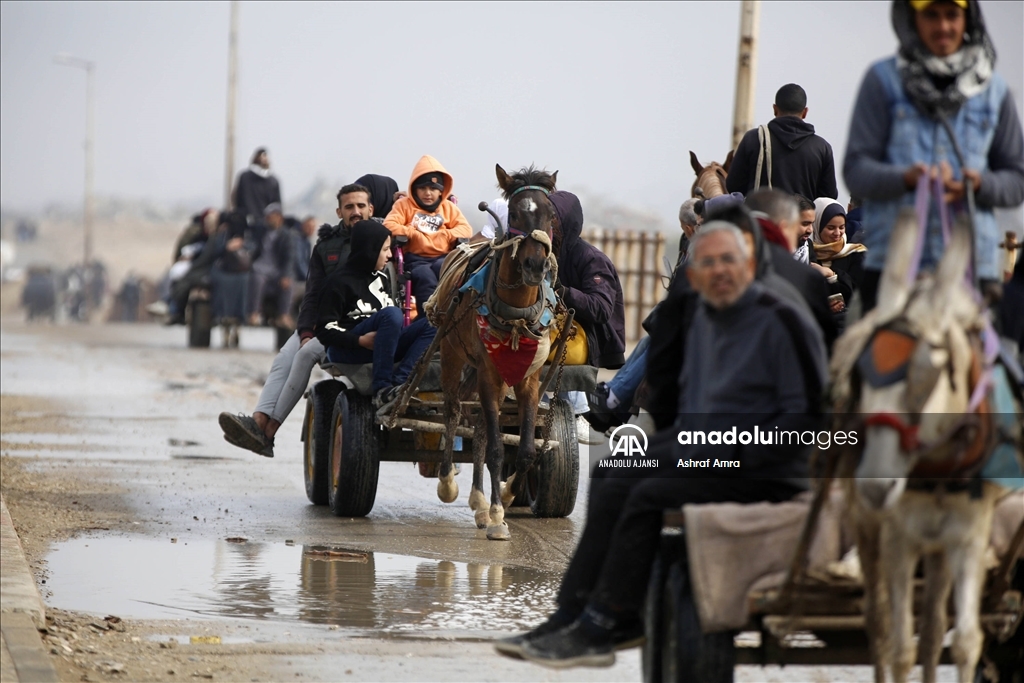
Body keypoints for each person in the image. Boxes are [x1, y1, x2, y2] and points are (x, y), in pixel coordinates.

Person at [499, 222, 826, 669]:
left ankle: (609, 618)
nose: (718, 271)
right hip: (714, 448)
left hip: (767, 465)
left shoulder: (780, 321)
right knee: (612, 472)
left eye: (728, 261)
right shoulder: (710, 319)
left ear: (749, 264)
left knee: (646, 494)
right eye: (707, 263)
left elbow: (803, 421)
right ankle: (572, 615)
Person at [844, 0, 1024, 311]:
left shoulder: (993, 92)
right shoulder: (882, 81)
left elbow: (1016, 181)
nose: (943, 27)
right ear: (912, 18)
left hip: (969, 267)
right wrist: (905, 179)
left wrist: (978, 184)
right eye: (931, 15)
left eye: (952, 15)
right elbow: (855, 170)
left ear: (967, 19)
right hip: (893, 268)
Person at [218, 179, 389, 457]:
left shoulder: (383, 241)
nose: (355, 212)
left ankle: (268, 431)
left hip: (353, 323)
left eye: (361, 206)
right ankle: (258, 421)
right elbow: (312, 295)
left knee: (304, 355)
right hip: (323, 322)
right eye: (349, 207)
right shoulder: (326, 246)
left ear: (371, 208)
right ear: (339, 212)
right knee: (285, 356)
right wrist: (306, 331)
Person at [315, 220, 436, 408]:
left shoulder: (382, 277)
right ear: (369, 250)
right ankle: (382, 389)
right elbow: (324, 330)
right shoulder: (337, 282)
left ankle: (400, 383)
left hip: (384, 345)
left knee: (434, 322)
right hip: (349, 348)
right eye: (385, 249)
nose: (390, 255)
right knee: (392, 314)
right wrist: (360, 341)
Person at [547, 191, 627, 441]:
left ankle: (577, 413)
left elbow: (601, 308)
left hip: (591, 334)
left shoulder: (591, 259)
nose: (546, 225)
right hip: (553, 325)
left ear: (566, 222)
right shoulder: (542, 252)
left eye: (551, 219)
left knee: (561, 345)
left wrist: (563, 292)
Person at [384, 155, 472, 314]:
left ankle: (448, 313)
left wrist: (445, 234)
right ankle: (428, 317)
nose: (428, 193)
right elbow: (389, 225)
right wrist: (412, 233)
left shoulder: (448, 207)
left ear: (441, 191)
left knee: (445, 272)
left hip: (443, 257)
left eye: (433, 189)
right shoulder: (404, 205)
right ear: (414, 189)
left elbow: (466, 229)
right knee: (424, 276)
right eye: (423, 188)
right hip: (415, 258)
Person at [726, 84, 839, 200]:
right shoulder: (822, 148)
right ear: (805, 112)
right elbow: (829, 197)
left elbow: (733, 186)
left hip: (761, 211)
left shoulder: (754, 138)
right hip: (805, 212)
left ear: (775, 109)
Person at [811, 198, 866, 335]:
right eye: (831, 228)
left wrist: (832, 276)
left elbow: (858, 293)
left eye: (842, 227)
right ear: (817, 226)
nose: (837, 233)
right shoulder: (806, 254)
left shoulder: (856, 253)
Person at [247, 203, 295, 328]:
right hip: (260, 267)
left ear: (279, 217)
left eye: (271, 216)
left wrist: (286, 275)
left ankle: (284, 315)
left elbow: (289, 257)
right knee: (257, 280)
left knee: (288, 284)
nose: (268, 219)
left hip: (276, 270)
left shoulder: (286, 235)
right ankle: (254, 313)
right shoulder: (261, 231)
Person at [233, 147, 282, 229]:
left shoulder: (273, 181)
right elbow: (238, 201)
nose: (264, 160)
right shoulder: (245, 178)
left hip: (267, 225)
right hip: (247, 222)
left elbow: (276, 206)